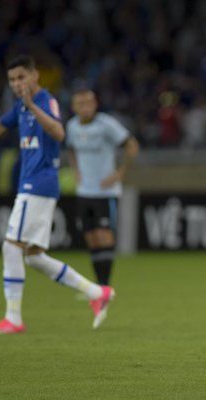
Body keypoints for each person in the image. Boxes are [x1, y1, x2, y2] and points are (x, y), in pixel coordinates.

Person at [0, 55, 114, 334]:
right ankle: (96, 292)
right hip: (34, 184)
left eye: (21, 77)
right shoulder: (21, 107)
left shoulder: (45, 100)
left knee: (11, 246)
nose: (17, 84)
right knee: (33, 256)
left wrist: (32, 105)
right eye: (12, 80)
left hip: (38, 183)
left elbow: (58, 132)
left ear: (35, 77)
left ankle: (13, 318)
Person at [65, 89, 139, 287]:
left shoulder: (106, 124)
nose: (85, 107)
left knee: (104, 235)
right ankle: (99, 286)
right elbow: (70, 148)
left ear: (96, 104)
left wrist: (120, 173)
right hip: (84, 191)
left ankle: (105, 286)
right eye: (80, 104)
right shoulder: (72, 126)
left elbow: (132, 145)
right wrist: (75, 170)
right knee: (91, 238)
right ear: (74, 107)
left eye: (89, 103)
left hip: (105, 192)